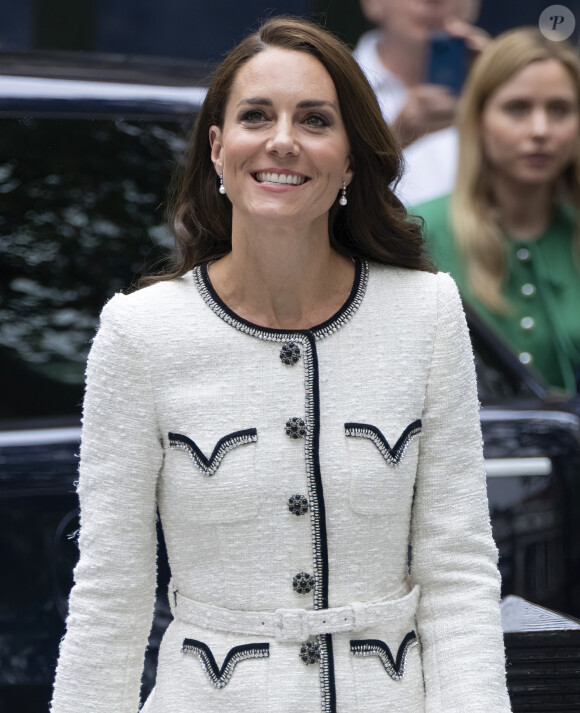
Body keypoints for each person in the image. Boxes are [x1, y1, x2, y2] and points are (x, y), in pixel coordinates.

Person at [50, 16, 511, 713]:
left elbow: (458, 573)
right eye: (256, 116)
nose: (283, 140)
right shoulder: (141, 332)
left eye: (316, 119)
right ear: (217, 147)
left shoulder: (427, 313)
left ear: (351, 157)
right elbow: (110, 592)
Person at [413, 28, 580, 394]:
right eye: (517, 108)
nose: (540, 130)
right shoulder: (415, 234)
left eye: (560, 110)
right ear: (478, 119)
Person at [354, 0, 488, 204]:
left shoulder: (498, 88)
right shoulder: (330, 86)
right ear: (373, 3)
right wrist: (396, 139)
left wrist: (505, 86)